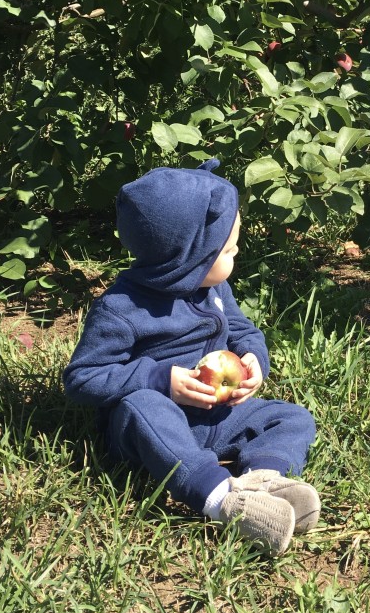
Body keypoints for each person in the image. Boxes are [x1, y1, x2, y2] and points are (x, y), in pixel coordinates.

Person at [63, 161, 319, 555]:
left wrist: (252, 360)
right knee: (142, 406)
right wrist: (160, 381)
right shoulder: (121, 309)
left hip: (218, 415)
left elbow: (244, 330)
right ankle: (219, 499)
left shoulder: (213, 289)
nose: (236, 254)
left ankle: (262, 479)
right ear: (189, 258)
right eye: (229, 249)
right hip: (155, 431)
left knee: (292, 416)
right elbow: (82, 377)